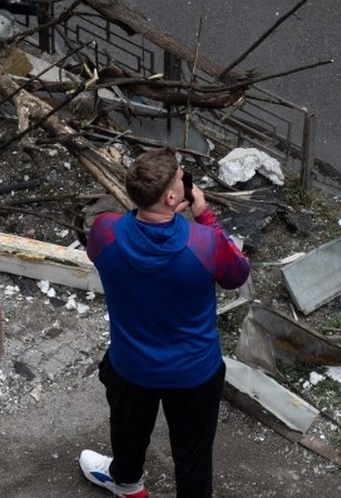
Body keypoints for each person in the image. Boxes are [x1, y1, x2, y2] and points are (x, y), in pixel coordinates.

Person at [78, 147, 250, 498]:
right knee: (193, 454)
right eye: (179, 179)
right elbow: (237, 274)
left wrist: (156, 210)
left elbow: (126, 234)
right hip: (194, 372)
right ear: (173, 196)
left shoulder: (104, 232)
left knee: (128, 430)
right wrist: (204, 215)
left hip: (132, 365)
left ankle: (126, 481)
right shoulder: (204, 242)